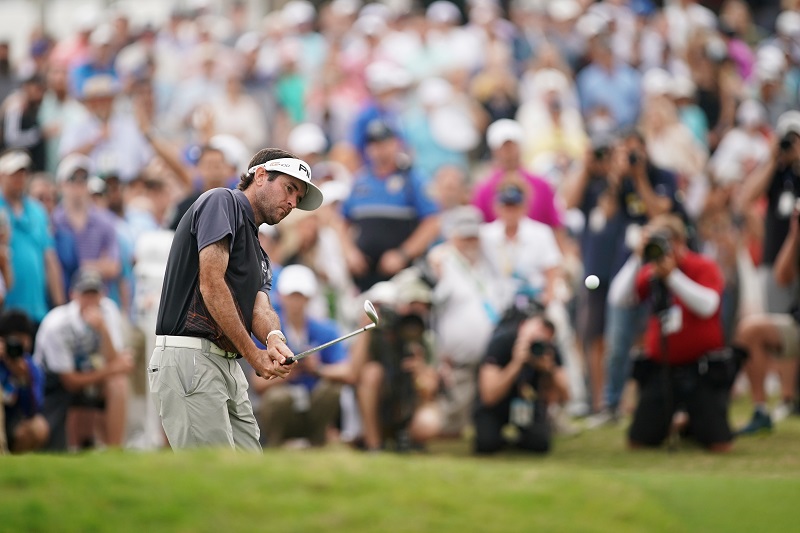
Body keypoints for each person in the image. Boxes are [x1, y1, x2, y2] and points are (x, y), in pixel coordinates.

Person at [149, 147, 323, 451]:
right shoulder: (222, 201)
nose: (293, 203)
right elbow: (211, 284)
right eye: (289, 189)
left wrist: (273, 338)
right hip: (191, 358)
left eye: (298, 198)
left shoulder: (260, 252)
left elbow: (260, 306)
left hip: (225, 364)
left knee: (245, 479)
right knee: (210, 481)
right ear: (260, 175)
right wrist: (253, 354)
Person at [608, 214, 735, 452]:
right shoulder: (651, 271)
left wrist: (673, 277)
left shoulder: (702, 266)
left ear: (678, 242)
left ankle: (691, 423)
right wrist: (637, 258)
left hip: (701, 369)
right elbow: (619, 298)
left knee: (720, 444)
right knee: (639, 441)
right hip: (662, 370)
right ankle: (678, 421)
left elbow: (708, 306)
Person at [252, 264, 351, 447]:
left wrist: (318, 370)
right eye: (292, 295)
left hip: (313, 403)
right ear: (280, 296)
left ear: (309, 298)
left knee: (332, 390)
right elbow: (258, 383)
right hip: (283, 406)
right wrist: (289, 372)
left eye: (301, 296)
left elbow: (347, 372)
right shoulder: (266, 332)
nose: (296, 302)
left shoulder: (325, 331)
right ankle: (275, 445)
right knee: (278, 398)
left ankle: (318, 443)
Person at [34, 269, 132, 451]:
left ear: (102, 295)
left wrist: (103, 330)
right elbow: (69, 381)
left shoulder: (108, 310)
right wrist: (111, 369)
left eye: (94, 294)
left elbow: (113, 360)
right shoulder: (57, 324)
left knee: (118, 383)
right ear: (73, 295)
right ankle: (77, 445)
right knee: (55, 447)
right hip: (52, 385)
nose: (90, 301)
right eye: (85, 294)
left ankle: (114, 450)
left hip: (85, 373)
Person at [341, 119, 441, 293]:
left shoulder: (413, 180)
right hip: (366, 277)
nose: (380, 150)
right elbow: (342, 222)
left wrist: (403, 254)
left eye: (385, 143)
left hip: (403, 276)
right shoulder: (359, 182)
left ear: (396, 144)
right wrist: (350, 252)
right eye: (374, 145)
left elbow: (432, 223)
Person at [474, 306, 570, 455]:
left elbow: (566, 396)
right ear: (523, 326)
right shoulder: (502, 341)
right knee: (486, 444)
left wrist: (548, 370)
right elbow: (489, 396)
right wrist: (516, 364)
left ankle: (522, 439)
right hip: (497, 405)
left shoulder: (548, 350)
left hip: (527, 404)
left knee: (539, 443)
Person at [0, 149, 65, 326]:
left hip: (36, 308)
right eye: (14, 174)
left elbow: (49, 258)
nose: (19, 178)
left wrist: (60, 306)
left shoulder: (37, 211)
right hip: (5, 308)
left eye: (23, 173)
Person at [0, 310, 49, 453]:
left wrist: (25, 379)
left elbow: (33, 410)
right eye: (14, 340)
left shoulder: (31, 367)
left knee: (38, 427)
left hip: (13, 423)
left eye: (23, 340)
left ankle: (16, 464)